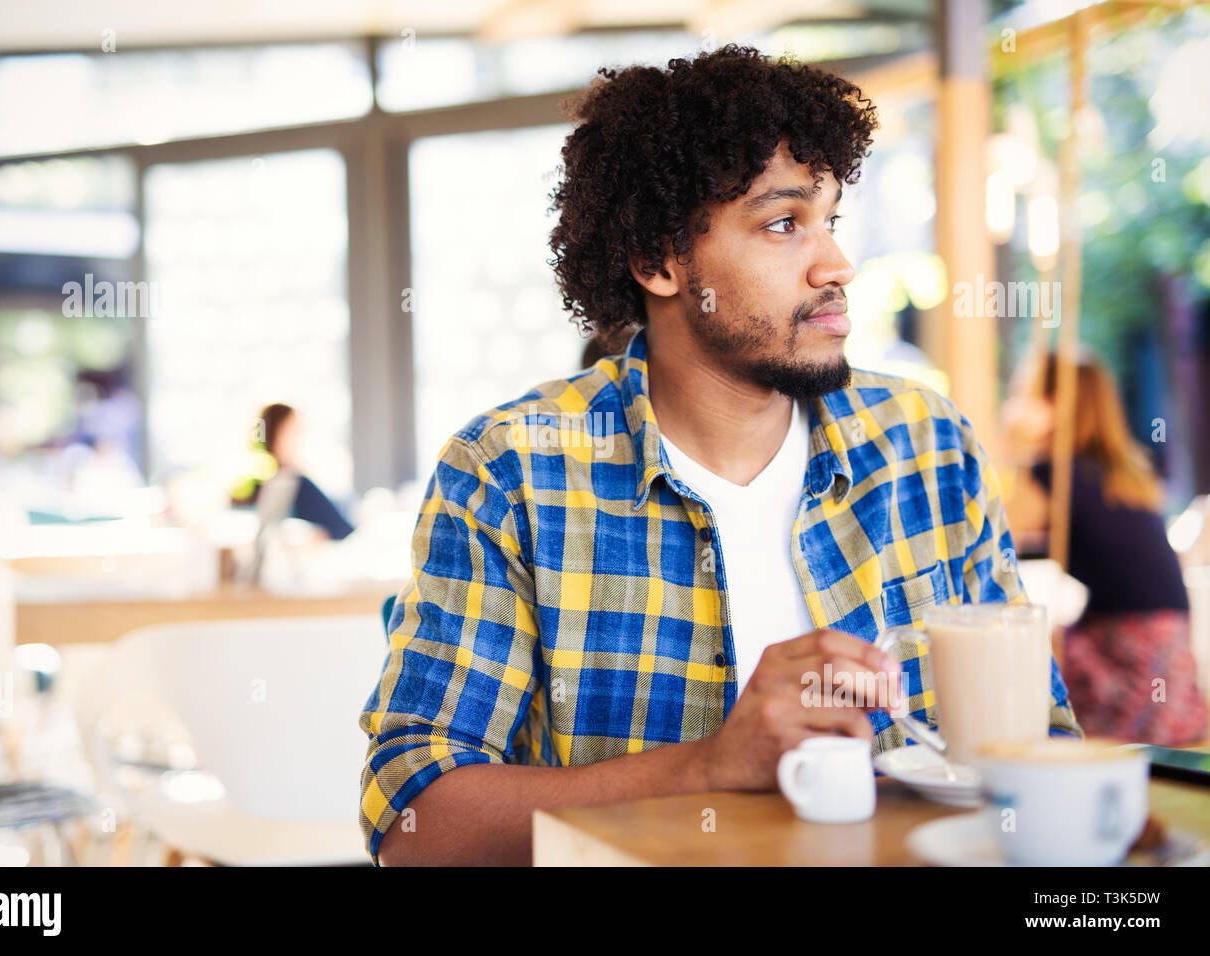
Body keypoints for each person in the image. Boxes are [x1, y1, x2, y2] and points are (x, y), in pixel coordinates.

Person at [360, 46, 1081, 867]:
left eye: (831, 220)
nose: (836, 264)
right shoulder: (511, 471)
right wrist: (708, 767)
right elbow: (413, 819)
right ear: (658, 262)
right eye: (783, 223)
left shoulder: (924, 443)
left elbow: (1040, 740)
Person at [1007, 350, 1207, 746]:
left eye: (1023, 395)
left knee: (1024, 658)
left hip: (1126, 645)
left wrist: (1013, 444)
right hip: (1172, 641)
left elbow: (990, 532)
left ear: (1050, 405)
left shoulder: (1055, 473)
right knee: (1048, 636)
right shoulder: (1124, 470)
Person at [239, 403, 354, 542]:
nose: (300, 439)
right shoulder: (294, 483)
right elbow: (342, 529)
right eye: (294, 431)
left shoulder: (259, 484)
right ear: (277, 434)